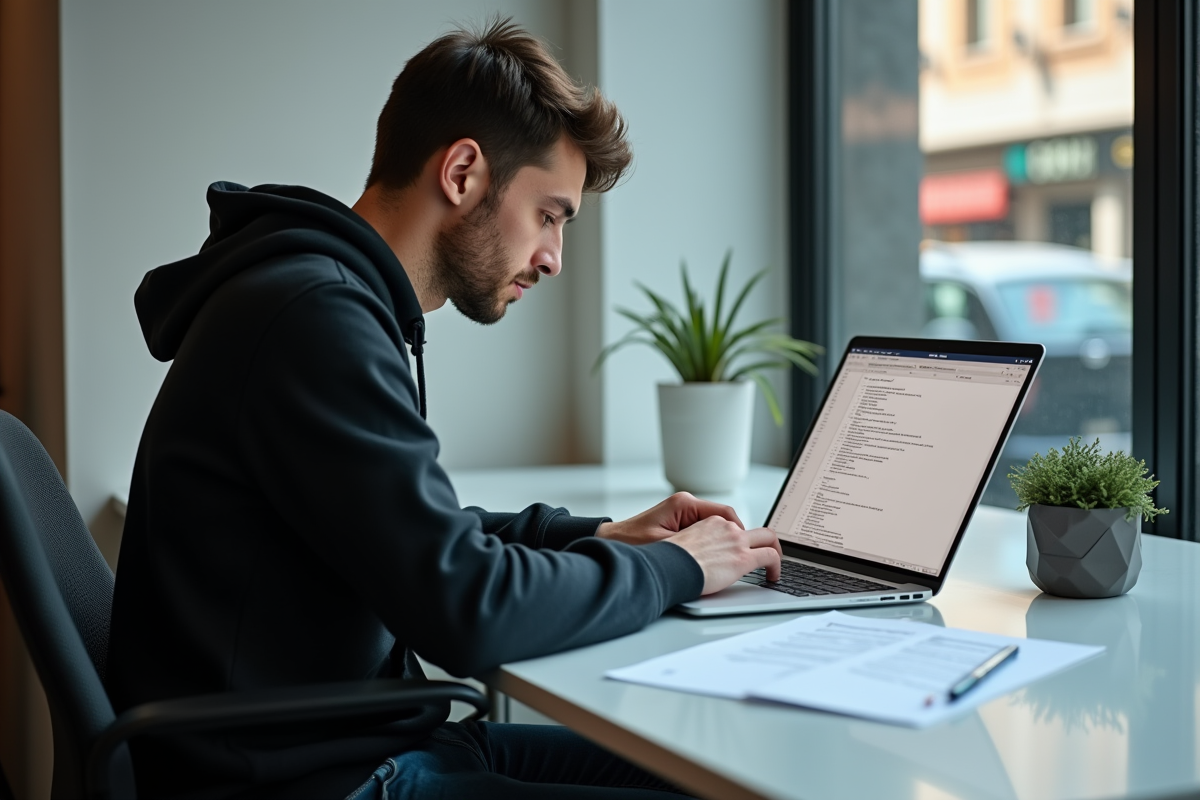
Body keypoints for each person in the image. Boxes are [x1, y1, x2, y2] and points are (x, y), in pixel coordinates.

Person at [108, 18, 782, 800]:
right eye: (550, 215)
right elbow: (468, 611)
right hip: (313, 779)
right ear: (463, 172)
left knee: (707, 778)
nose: (554, 258)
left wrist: (597, 535)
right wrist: (674, 569)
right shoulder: (312, 317)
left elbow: (424, 540)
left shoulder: (320, 299)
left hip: (356, 743)